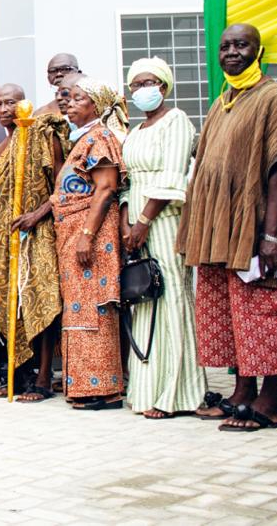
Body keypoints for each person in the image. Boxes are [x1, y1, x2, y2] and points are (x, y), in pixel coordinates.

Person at [176, 23, 277, 432]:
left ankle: (270, 403)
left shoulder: (274, 98)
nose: (232, 52)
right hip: (224, 227)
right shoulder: (225, 100)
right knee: (233, 310)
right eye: (225, 46)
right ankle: (242, 392)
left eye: (242, 45)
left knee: (266, 310)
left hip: (262, 227)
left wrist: (272, 235)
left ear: (258, 51)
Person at [118, 58, 206, 419]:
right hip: (135, 224)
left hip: (164, 220)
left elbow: (171, 176)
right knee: (144, 298)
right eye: (136, 85)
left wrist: (143, 221)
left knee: (170, 297)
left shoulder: (177, 122)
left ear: (164, 87)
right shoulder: (136, 132)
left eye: (149, 83)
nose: (142, 90)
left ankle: (178, 393)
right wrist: (126, 223)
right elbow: (127, 183)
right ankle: (146, 391)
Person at [0, 83, 69, 402]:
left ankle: (46, 377)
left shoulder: (41, 135)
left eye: (11, 102)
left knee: (42, 298)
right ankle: (18, 375)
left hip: (39, 229)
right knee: (11, 304)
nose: (5, 108)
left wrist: (38, 213)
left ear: (25, 104)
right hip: (6, 237)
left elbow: (64, 183)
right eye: (0, 103)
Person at [52, 75, 129, 411]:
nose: (70, 102)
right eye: (68, 97)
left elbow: (106, 188)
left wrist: (86, 234)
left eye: (79, 98)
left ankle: (103, 389)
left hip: (90, 237)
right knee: (79, 309)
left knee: (93, 309)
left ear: (96, 105)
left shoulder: (101, 138)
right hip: (73, 235)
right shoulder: (82, 139)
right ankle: (84, 386)